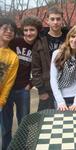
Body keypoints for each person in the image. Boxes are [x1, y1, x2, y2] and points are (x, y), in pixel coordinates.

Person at [2, 16, 42, 149]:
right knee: (6, 125)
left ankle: (22, 147)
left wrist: (31, 84)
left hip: (23, 90)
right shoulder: (15, 42)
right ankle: (6, 146)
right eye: (26, 30)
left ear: (37, 31)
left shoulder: (38, 47)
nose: (29, 33)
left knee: (24, 122)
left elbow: (40, 69)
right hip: (6, 89)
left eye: (32, 30)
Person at [32, 7, 67, 111]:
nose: (55, 22)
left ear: (62, 20)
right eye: (52, 19)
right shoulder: (39, 41)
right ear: (47, 21)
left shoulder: (69, 40)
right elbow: (35, 69)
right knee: (45, 122)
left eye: (58, 19)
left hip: (66, 88)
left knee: (65, 121)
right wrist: (41, 90)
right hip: (47, 89)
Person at [50, 24, 76, 111]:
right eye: (72, 36)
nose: (74, 40)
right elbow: (53, 78)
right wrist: (60, 101)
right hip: (60, 98)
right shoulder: (57, 54)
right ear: (69, 37)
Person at [0, 17, 19, 150]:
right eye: (5, 28)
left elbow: (8, 82)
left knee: (6, 130)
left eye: (12, 30)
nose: (8, 32)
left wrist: (2, 101)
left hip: (1, 100)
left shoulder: (13, 57)